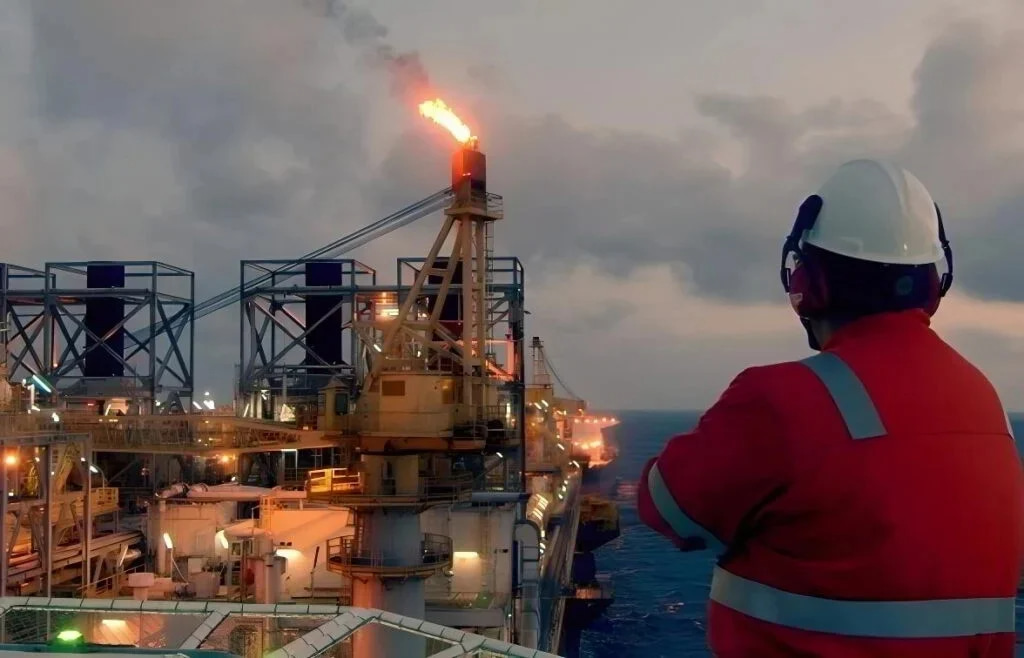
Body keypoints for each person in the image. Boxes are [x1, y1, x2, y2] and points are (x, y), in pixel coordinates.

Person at [637, 159, 1024, 657]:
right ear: (935, 282)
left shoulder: (779, 400)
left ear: (808, 284)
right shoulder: (983, 399)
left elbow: (666, 508)